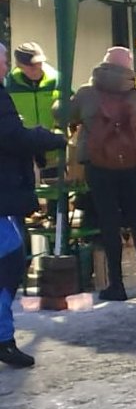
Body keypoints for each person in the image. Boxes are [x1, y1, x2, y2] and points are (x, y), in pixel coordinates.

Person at [68, 46, 136, 301]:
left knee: (108, 222)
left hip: (99, 165)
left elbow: (66, 116)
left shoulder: (87, 93)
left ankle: (116, 285)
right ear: (128, 69)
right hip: (134, 165)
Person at [0, 42, 66, 367]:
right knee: (10, 261)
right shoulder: (3, 92)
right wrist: (46, 138)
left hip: (23, 176)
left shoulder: (55, 80)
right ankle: (3, 339)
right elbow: (12, 135)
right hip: (6, 190)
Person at [6, 42, 60, 135]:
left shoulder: (58, 82)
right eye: (31, 65)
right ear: (19, 65)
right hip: (23, 146)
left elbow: (73, 111)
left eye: (39, 63)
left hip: (54, 145)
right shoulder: (9, 86)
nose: (37, 68)